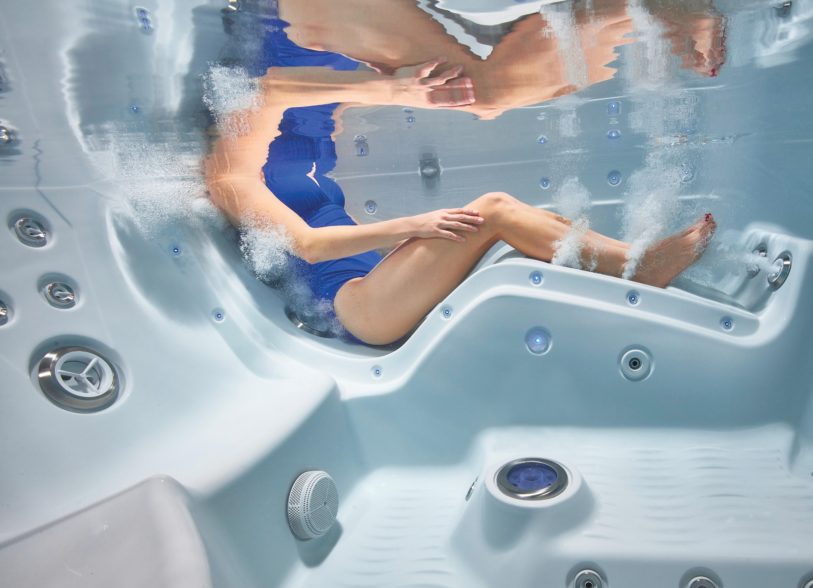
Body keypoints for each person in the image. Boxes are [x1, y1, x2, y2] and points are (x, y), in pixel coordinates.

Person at [205, 2, 718, 346]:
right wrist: (414, 225)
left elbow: (269, 90)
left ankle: (646, 8)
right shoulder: (230, 182)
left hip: (367, 267)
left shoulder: (252, 123)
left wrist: (392, 89)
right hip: (354, 306)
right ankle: (635, 265)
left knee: (486, 92)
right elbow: (311, 246)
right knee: (493, 207)